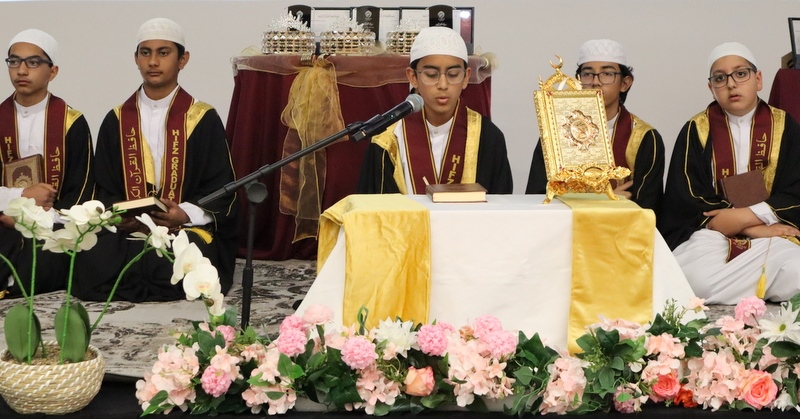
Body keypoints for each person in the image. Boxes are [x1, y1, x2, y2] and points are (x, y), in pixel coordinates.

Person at [73, 18, 238, 302]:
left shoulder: (202, 119)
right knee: (90, 259)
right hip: (129, 231)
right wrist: (121, 215)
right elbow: (103, 185)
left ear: (182, 59)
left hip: (185, 227)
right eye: (145, 52)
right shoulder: (116, 120)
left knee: (184, 258)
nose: (153, 61)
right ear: (136, 59)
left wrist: (184, 213)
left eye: (163, 53)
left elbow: (220, 186)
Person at [659, 42, 800, 304]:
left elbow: (796, 188)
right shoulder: (696, 129)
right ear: (711, 88)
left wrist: (749, 217)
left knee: (797, 271)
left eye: (741, 74)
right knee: (695, 278)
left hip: (774, 232)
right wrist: (753, 229)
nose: (731, 84)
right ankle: (760, 291)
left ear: (758, 79)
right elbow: (686, 196)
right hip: (712, 237)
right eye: (720, 78)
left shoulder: (786, 126)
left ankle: (738, 292)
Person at [357, 26, 512, 194]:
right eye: (431, 74)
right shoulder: (388, 139)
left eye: (453, 74)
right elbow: (375, 206)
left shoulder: (487, 137)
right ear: (413, 77)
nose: (443, 85)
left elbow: (500, 204)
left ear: (466, 77)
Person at [0, 29, 94, 297]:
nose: (21, 70)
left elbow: (82, 192)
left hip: (54, 224)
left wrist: (35, 218)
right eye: (14, 61)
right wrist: (15, 204)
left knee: (55, 252)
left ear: (52, 72)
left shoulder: (71, 123)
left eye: (33, 62)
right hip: (2, 221)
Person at [525, 39, 664, 211]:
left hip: (619, 226)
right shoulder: (555, 133)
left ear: (625, 83)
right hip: (564, 225)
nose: (595, 82)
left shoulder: (644, 137)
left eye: (607, 74)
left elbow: (647, 207)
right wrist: (605, 200)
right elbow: (537, 197)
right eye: (588, 74)